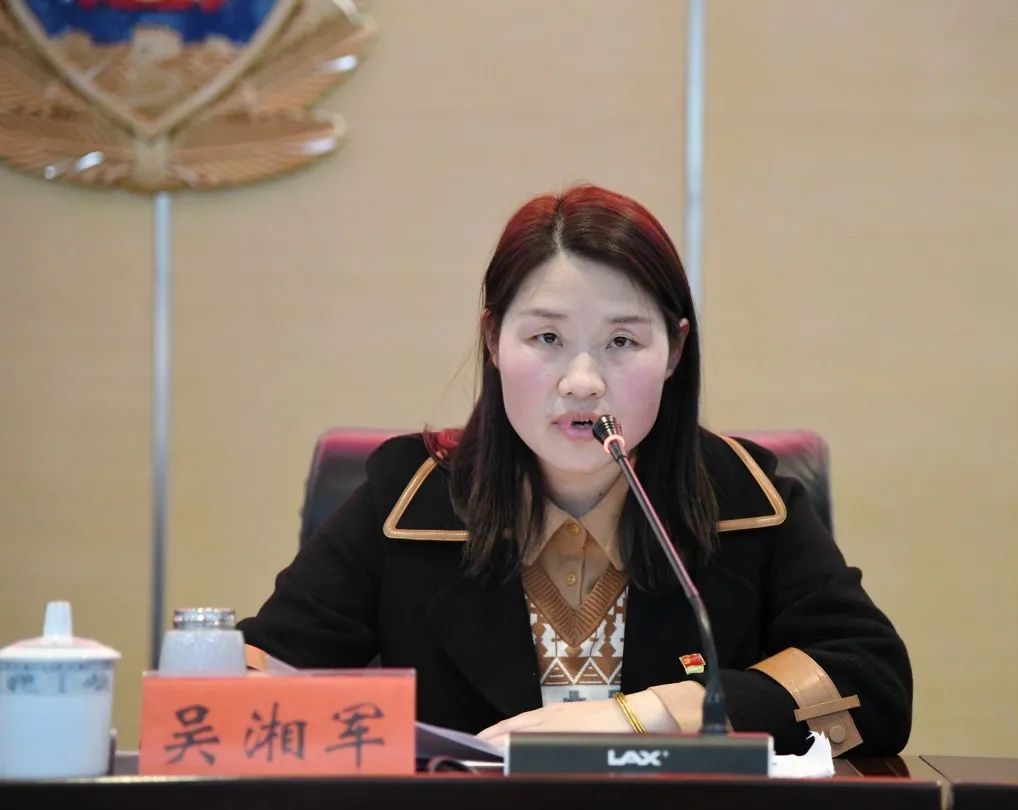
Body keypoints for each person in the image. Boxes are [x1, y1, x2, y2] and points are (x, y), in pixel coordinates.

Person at [238, 184, 912, 756]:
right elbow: (254, 684)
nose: (583, 382)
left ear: (674, 351)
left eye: (622, 340)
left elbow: (872, 682)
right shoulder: (410, 499)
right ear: (493, 339)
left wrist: (647, 715)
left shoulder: (744, 499)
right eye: (547, 338)